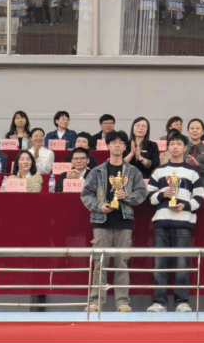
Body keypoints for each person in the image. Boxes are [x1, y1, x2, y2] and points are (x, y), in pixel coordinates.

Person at [81, 130, 147, 313]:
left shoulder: (133, 172)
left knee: (122, 263)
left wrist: (127, 196)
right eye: (113, 142)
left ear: (126, 147)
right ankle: (95, 302)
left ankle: (122, 302)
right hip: (101, 222)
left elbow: (142, 193)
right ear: (108, 145)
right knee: (100, 263)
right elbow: (86, 195)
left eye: (121, 143)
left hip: (124, 221)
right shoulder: (97, 171)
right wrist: (99, 206)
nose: (117, 145)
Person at [146, 131, 204, 313]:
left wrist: (185, 205)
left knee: (182, 264)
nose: (175, 147)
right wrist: (162, 194)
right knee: (160, 263)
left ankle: (182, 302)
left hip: (183, 222)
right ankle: (159, 302)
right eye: (172, 144)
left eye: (179, 144)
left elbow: (200, 197)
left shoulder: (193, 172)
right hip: (161, 221)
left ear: (185, 148)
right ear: (168, 147)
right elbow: (149, 196)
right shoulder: (159, 171)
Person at [184, 118, 204, 193]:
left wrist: (197, 165)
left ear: (202, 132)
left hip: (202, 184)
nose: (194, 131)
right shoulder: (183, 148)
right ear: (188, 131)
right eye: (192, 128)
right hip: (184, 184)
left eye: (197, 128)